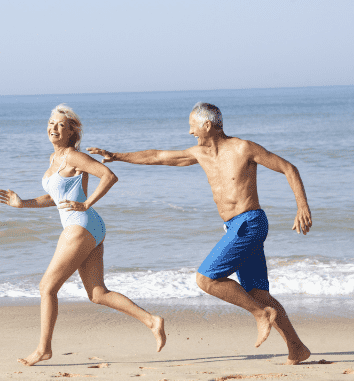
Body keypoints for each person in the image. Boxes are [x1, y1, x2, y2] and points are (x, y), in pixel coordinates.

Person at [88, 102, 311, 365]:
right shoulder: (200, 154)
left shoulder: (243, 148)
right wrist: (117, 155)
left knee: (206, 278)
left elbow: (288, 168)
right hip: (235, 227)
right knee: (258, 293)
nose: (190, 131)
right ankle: (296, 347)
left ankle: (261, 315)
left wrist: (302, 206)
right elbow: (158, 156)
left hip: (249, 222)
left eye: (192, 125)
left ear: (207, 125)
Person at [0, 104, 166, 366]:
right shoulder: (54, 159)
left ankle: (43, 349)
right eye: (52, 123)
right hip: (89, 227)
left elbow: (109, 176)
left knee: (46, 288)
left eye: (61, 125)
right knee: (98, 293)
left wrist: (87, 204)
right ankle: (152, 321)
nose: (54, 128)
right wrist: (22, 203)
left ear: (71, 131)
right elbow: (55, 198)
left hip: (80, 224)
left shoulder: (73, 157)